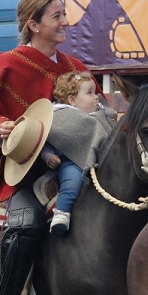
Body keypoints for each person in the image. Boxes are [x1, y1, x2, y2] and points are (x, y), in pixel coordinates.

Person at [0, 0, 102, 295]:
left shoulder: (76, 69)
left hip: (80, 162)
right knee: (27, 223)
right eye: (57, 16)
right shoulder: (7, 65)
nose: (65, 21)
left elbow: (96, 111)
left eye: (64, 14)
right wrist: (1, 126)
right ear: (33, 25)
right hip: (27, 168)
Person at [41, 71, 110, 235]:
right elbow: (45, 140)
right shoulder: (58, 117)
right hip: (71, 161)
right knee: (72, 181)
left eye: (95, 92)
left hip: (99, 161)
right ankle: (61, 213)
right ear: (72, 100)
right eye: (89, 93)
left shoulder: (98, 116)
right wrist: (48, 156)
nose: (96, 97)